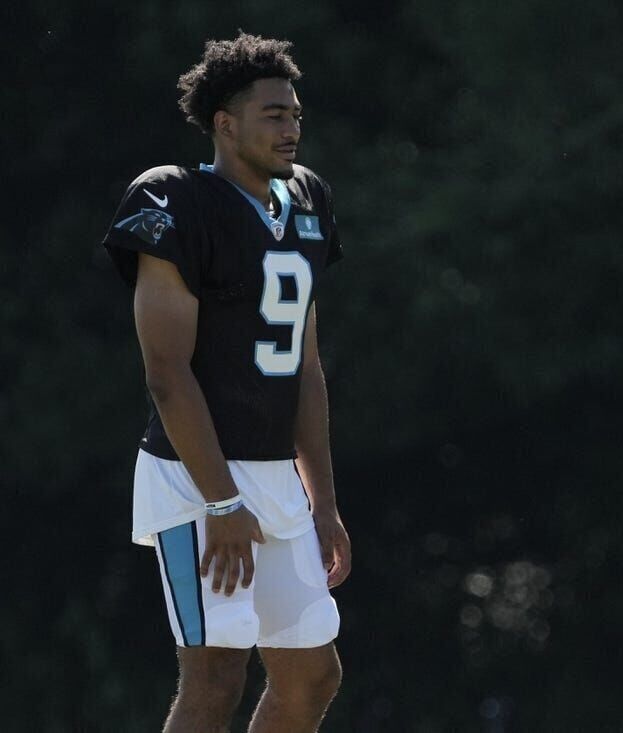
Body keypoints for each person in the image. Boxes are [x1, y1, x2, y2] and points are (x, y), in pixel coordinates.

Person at [102, 33, 351, 732]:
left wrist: (323, 499)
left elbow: (303, 362)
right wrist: (220, 502)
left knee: (311, 672)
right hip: (194, 473)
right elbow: (165, 371)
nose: (291, 127)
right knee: (216, 671)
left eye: (296, 114)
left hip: (277, 477)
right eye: (273, 114)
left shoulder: (307, 200)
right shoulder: (174, 199)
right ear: (225, 122)